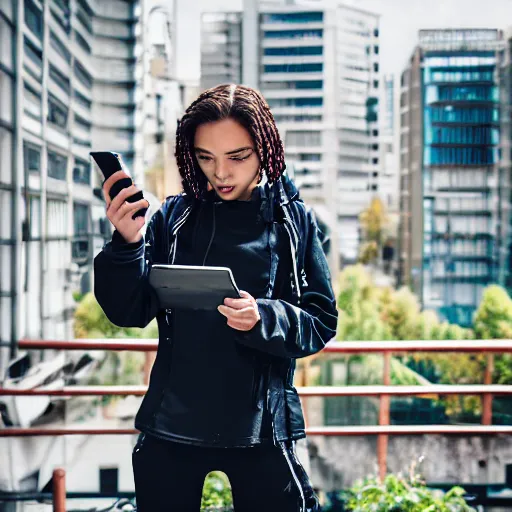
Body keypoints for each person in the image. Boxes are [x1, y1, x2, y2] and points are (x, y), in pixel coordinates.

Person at [94, 84, 338, 512]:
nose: (220, 172)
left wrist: (263, 316)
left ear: (265, 149)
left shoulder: (293, 221)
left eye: (237, 157)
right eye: (206, 157)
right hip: (172, 423)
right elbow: (128, 310)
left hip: (261, 428)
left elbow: (320, 319)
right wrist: (127, 244)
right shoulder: (173, 217)